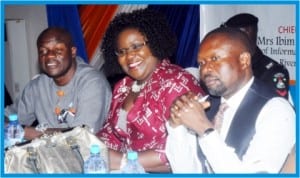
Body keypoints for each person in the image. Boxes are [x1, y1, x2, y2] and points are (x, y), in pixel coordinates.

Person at [165, 27, 295, 173]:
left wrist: (205, 129)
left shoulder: (276, 110)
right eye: (201, 63)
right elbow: (185, 170)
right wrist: (176, 128)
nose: (206, 69)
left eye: (215, 58)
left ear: (244, 60)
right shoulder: (206, 104)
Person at [97, 8, 205, 173]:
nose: (130, 56)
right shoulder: (123, 87)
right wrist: (86, 145)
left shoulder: (177, 83)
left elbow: (185, 149)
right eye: (122, 51)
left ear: (155, 42)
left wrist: (123, 161)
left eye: (136, 46)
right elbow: (112, 134)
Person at [5, 27, 112, 140]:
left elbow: (82, 137)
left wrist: (27, 132)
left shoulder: (93, 83)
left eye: (58, 50)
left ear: (72, 52)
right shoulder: (37, 86)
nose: (49, 55)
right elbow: (8, 117)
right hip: (47, 153)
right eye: (43, 51)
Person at [221, 13, 290, 99]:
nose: (228, 41)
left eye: (232, 36)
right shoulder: (227, 65)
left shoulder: (272, 71)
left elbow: (278, 108)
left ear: (246, 33)